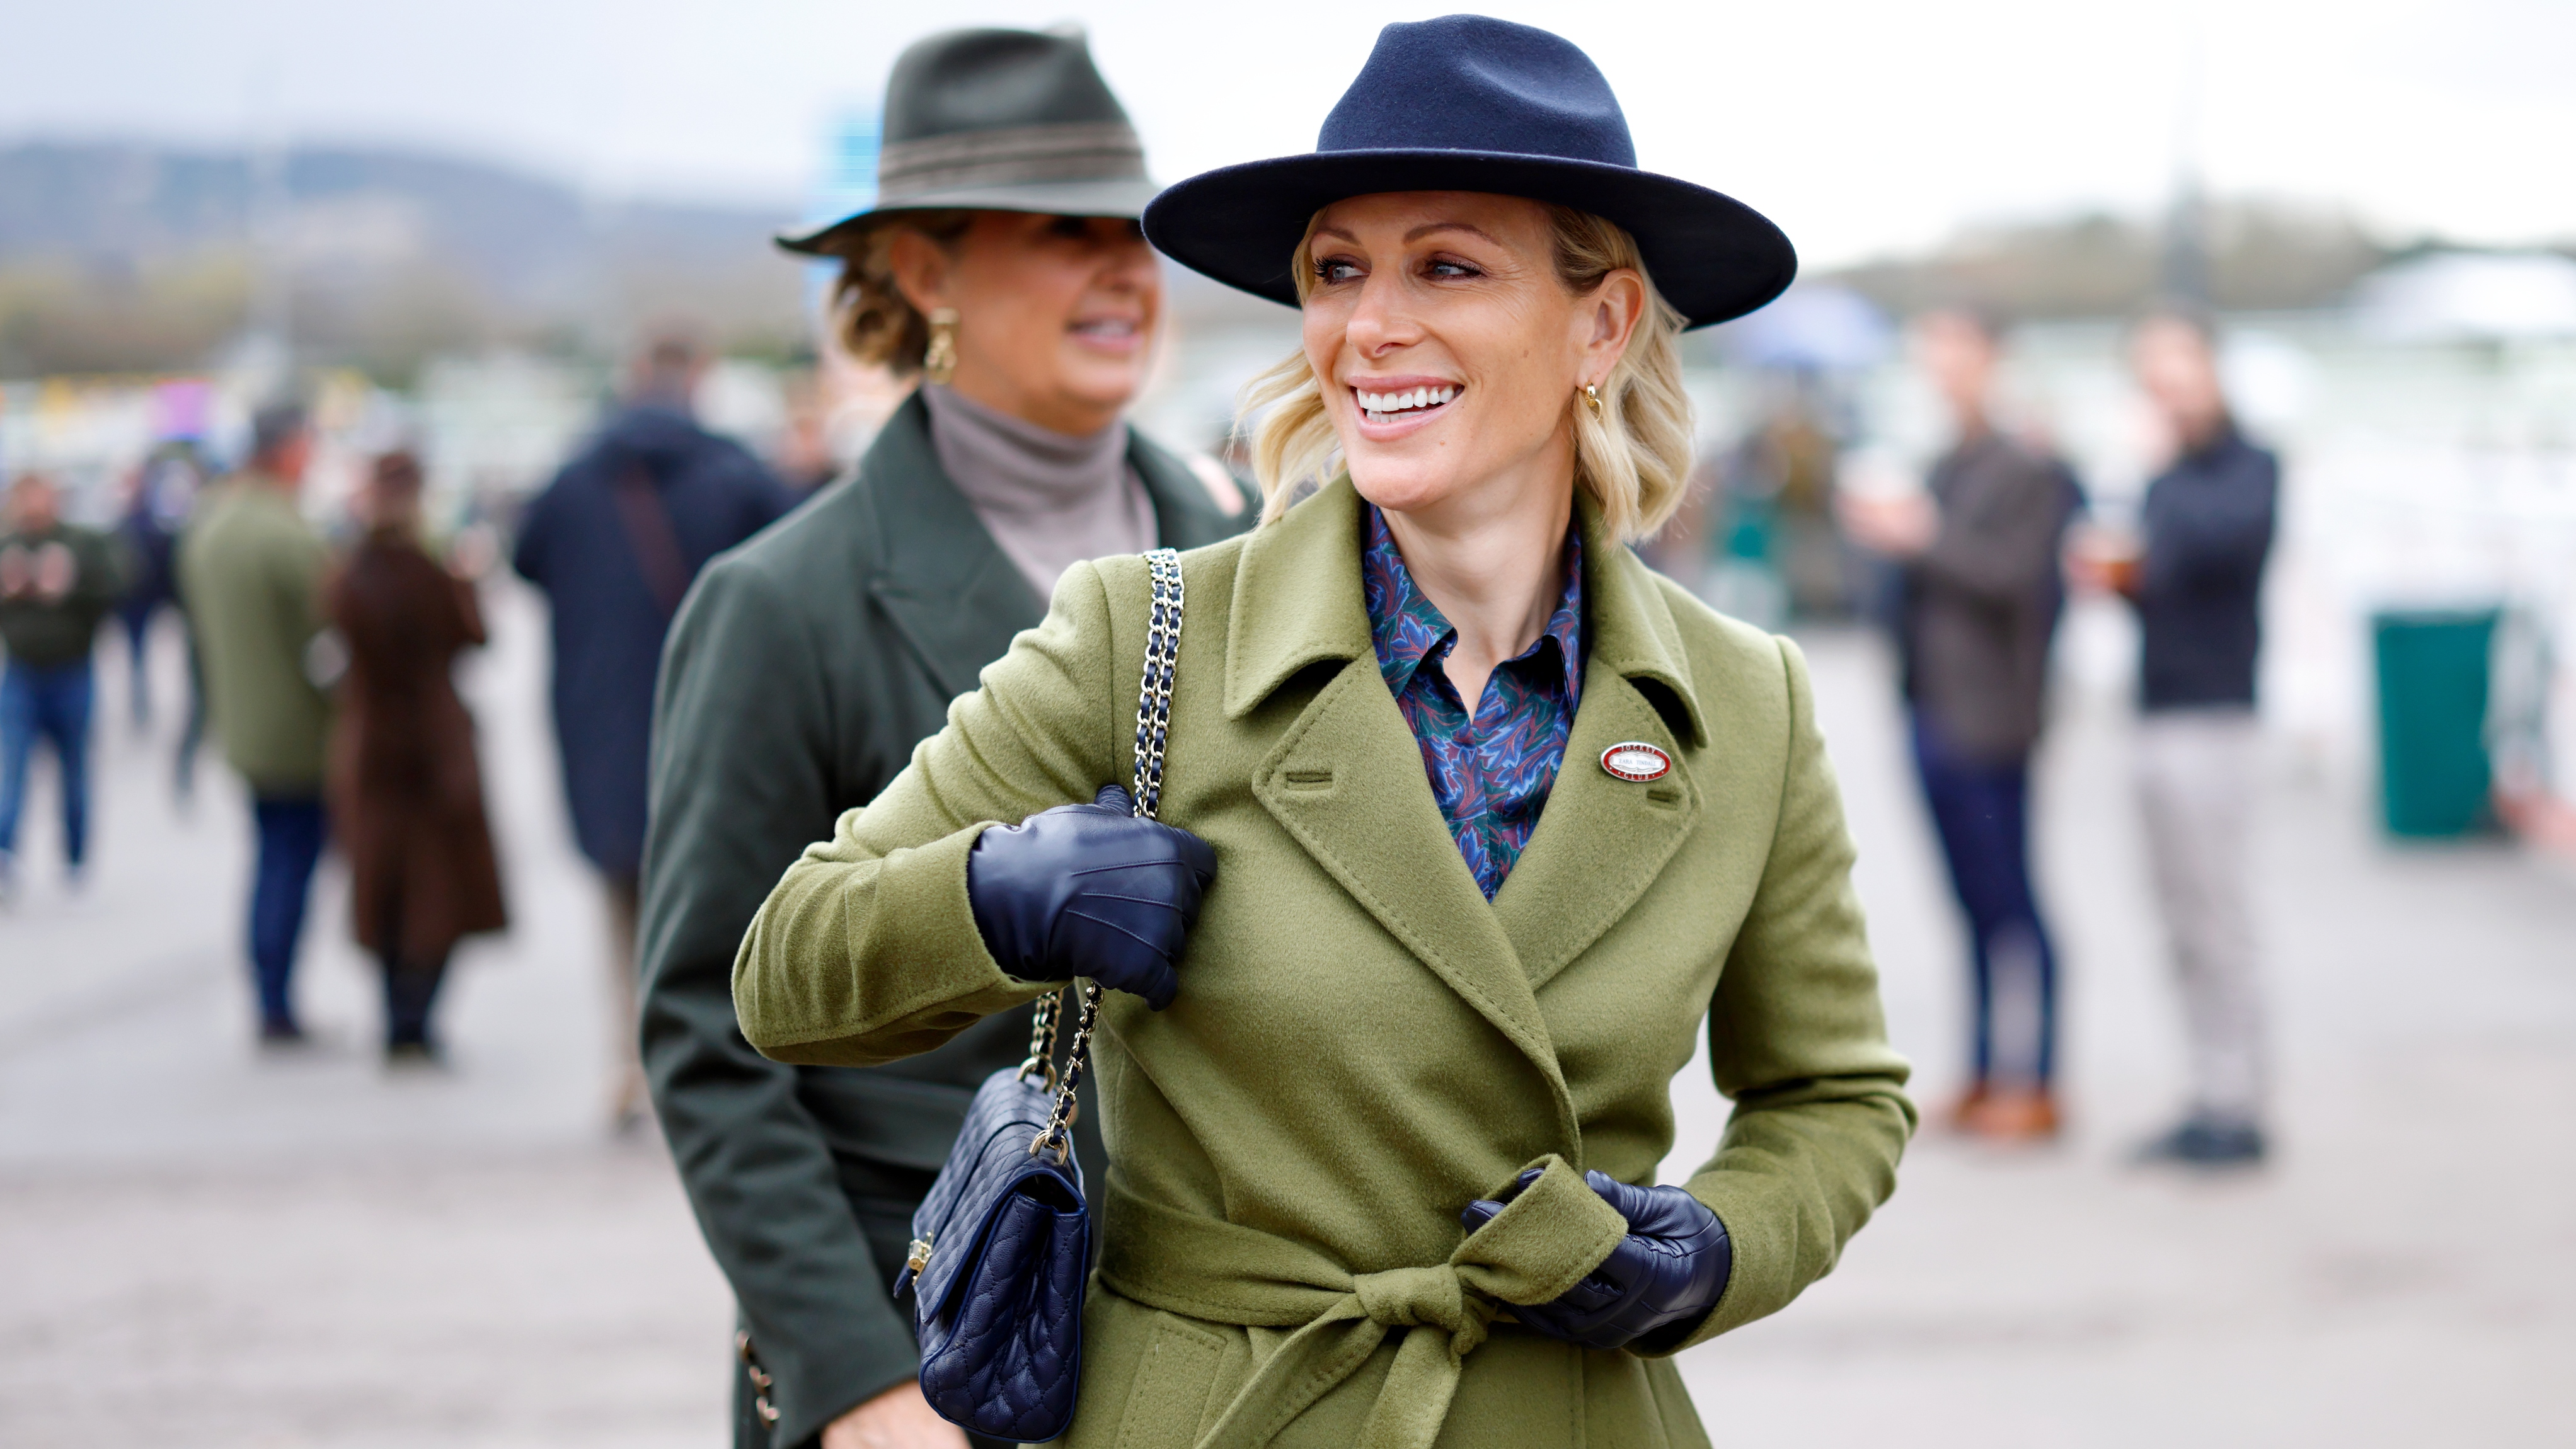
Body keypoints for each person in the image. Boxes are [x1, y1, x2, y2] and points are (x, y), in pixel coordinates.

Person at [730, 18, 1912, 1448]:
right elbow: (786, 964)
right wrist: (996, 890)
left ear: (1601, 322)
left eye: (1449, 265)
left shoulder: (1745, 701)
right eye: (1337, 269)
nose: (1370, 325)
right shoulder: (1144, 634)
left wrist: (1716, 1245)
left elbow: (1835, 1095)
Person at [640, 28, 1248, 1449]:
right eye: (1064, 229)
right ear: (923, 272)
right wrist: (851, 1375)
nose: (1122, 269)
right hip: (930, 1340)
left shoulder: (1243, 551)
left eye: (1136, 229)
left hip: (1207, 1350)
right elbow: (704, 1033)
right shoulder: (779, 601)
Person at [512, 334, 793, 1125]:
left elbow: (523, 561)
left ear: (634, 378)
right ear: (697, 378)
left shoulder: (573, 479)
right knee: (725, 900)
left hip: (601, 721)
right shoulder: (737, 474)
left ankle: (628, 1065)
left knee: (624, 906)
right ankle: (722, 1068)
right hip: (717, 717)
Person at [1841, 308, 2078, 1143]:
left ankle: (2042, 1079)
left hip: (1992, 718)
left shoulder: (2028, 469)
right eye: (1931, 354)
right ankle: (1982, 1071)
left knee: (2016, 901)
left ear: (1991, 359)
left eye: (1954, 352)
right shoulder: (1942, 462)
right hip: (1929, 707)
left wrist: (1921, 537)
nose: (1941, 369)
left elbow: (2017, 578)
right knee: (1966, 906)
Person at [2110, 310, 2279, 1167]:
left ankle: (2240, 1105)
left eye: (2178, 371)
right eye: (2152, 373)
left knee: (2220, 920)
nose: (2165, 389)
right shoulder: (2170, 476)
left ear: (2212, 371)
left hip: (2215, 716)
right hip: (2157, 708)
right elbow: (2157, 579)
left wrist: (2159, 478)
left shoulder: (2249, 467)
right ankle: (2208, 1089)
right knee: (2179, 920)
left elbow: (2210, 548)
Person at [323, 452, 507, 1064]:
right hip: (434, 745)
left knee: (386, 887)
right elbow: (476, 637)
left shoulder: (349, 575)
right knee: (438, 890)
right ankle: (418, 1019)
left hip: (374, 746)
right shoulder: (434, 574)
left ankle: (396, 1017)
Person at [178, 402, 334, 1045]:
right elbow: (325, 638)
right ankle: (276, 999)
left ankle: (269, 990)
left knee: (271, 857)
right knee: (288, 864)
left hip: (242, 723)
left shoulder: (212, 526)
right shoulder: (285, 534)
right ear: (290, 449)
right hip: (296, 730)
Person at [0, 472, 126, 899]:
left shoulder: (80, 543)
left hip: (72, 669)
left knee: (74, 768)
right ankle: (6, 853)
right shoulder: (9, 545)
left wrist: (70, 583)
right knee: (13, 767)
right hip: (22, 671)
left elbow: (118, 584)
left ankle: (75, 857)